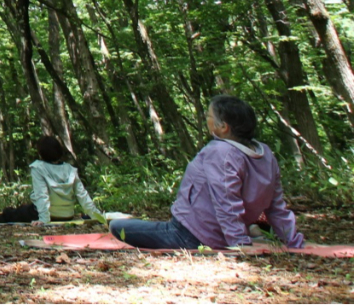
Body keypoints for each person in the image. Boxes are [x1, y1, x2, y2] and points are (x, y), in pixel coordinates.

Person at [110, 95, 304, 251]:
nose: (206, 119)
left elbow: (226, 202)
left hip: (192, 234)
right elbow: (277, 206)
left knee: (117, 226)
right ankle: (250, 231)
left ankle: (246, 233)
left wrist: (240, 245)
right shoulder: (265, 152)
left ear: (223, 127)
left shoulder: (220, 152)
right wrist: (292, 241)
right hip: (208, 227)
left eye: (209, 117)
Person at [0, 135, 104, 225]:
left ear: (41, 153)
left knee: (12, 213)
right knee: (24, 208)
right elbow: (83, 196)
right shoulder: (70, 169)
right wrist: (97, 216)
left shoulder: (38, 167)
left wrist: (43, 220)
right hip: (67, 215)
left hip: (46, 214)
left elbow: (41, 195)